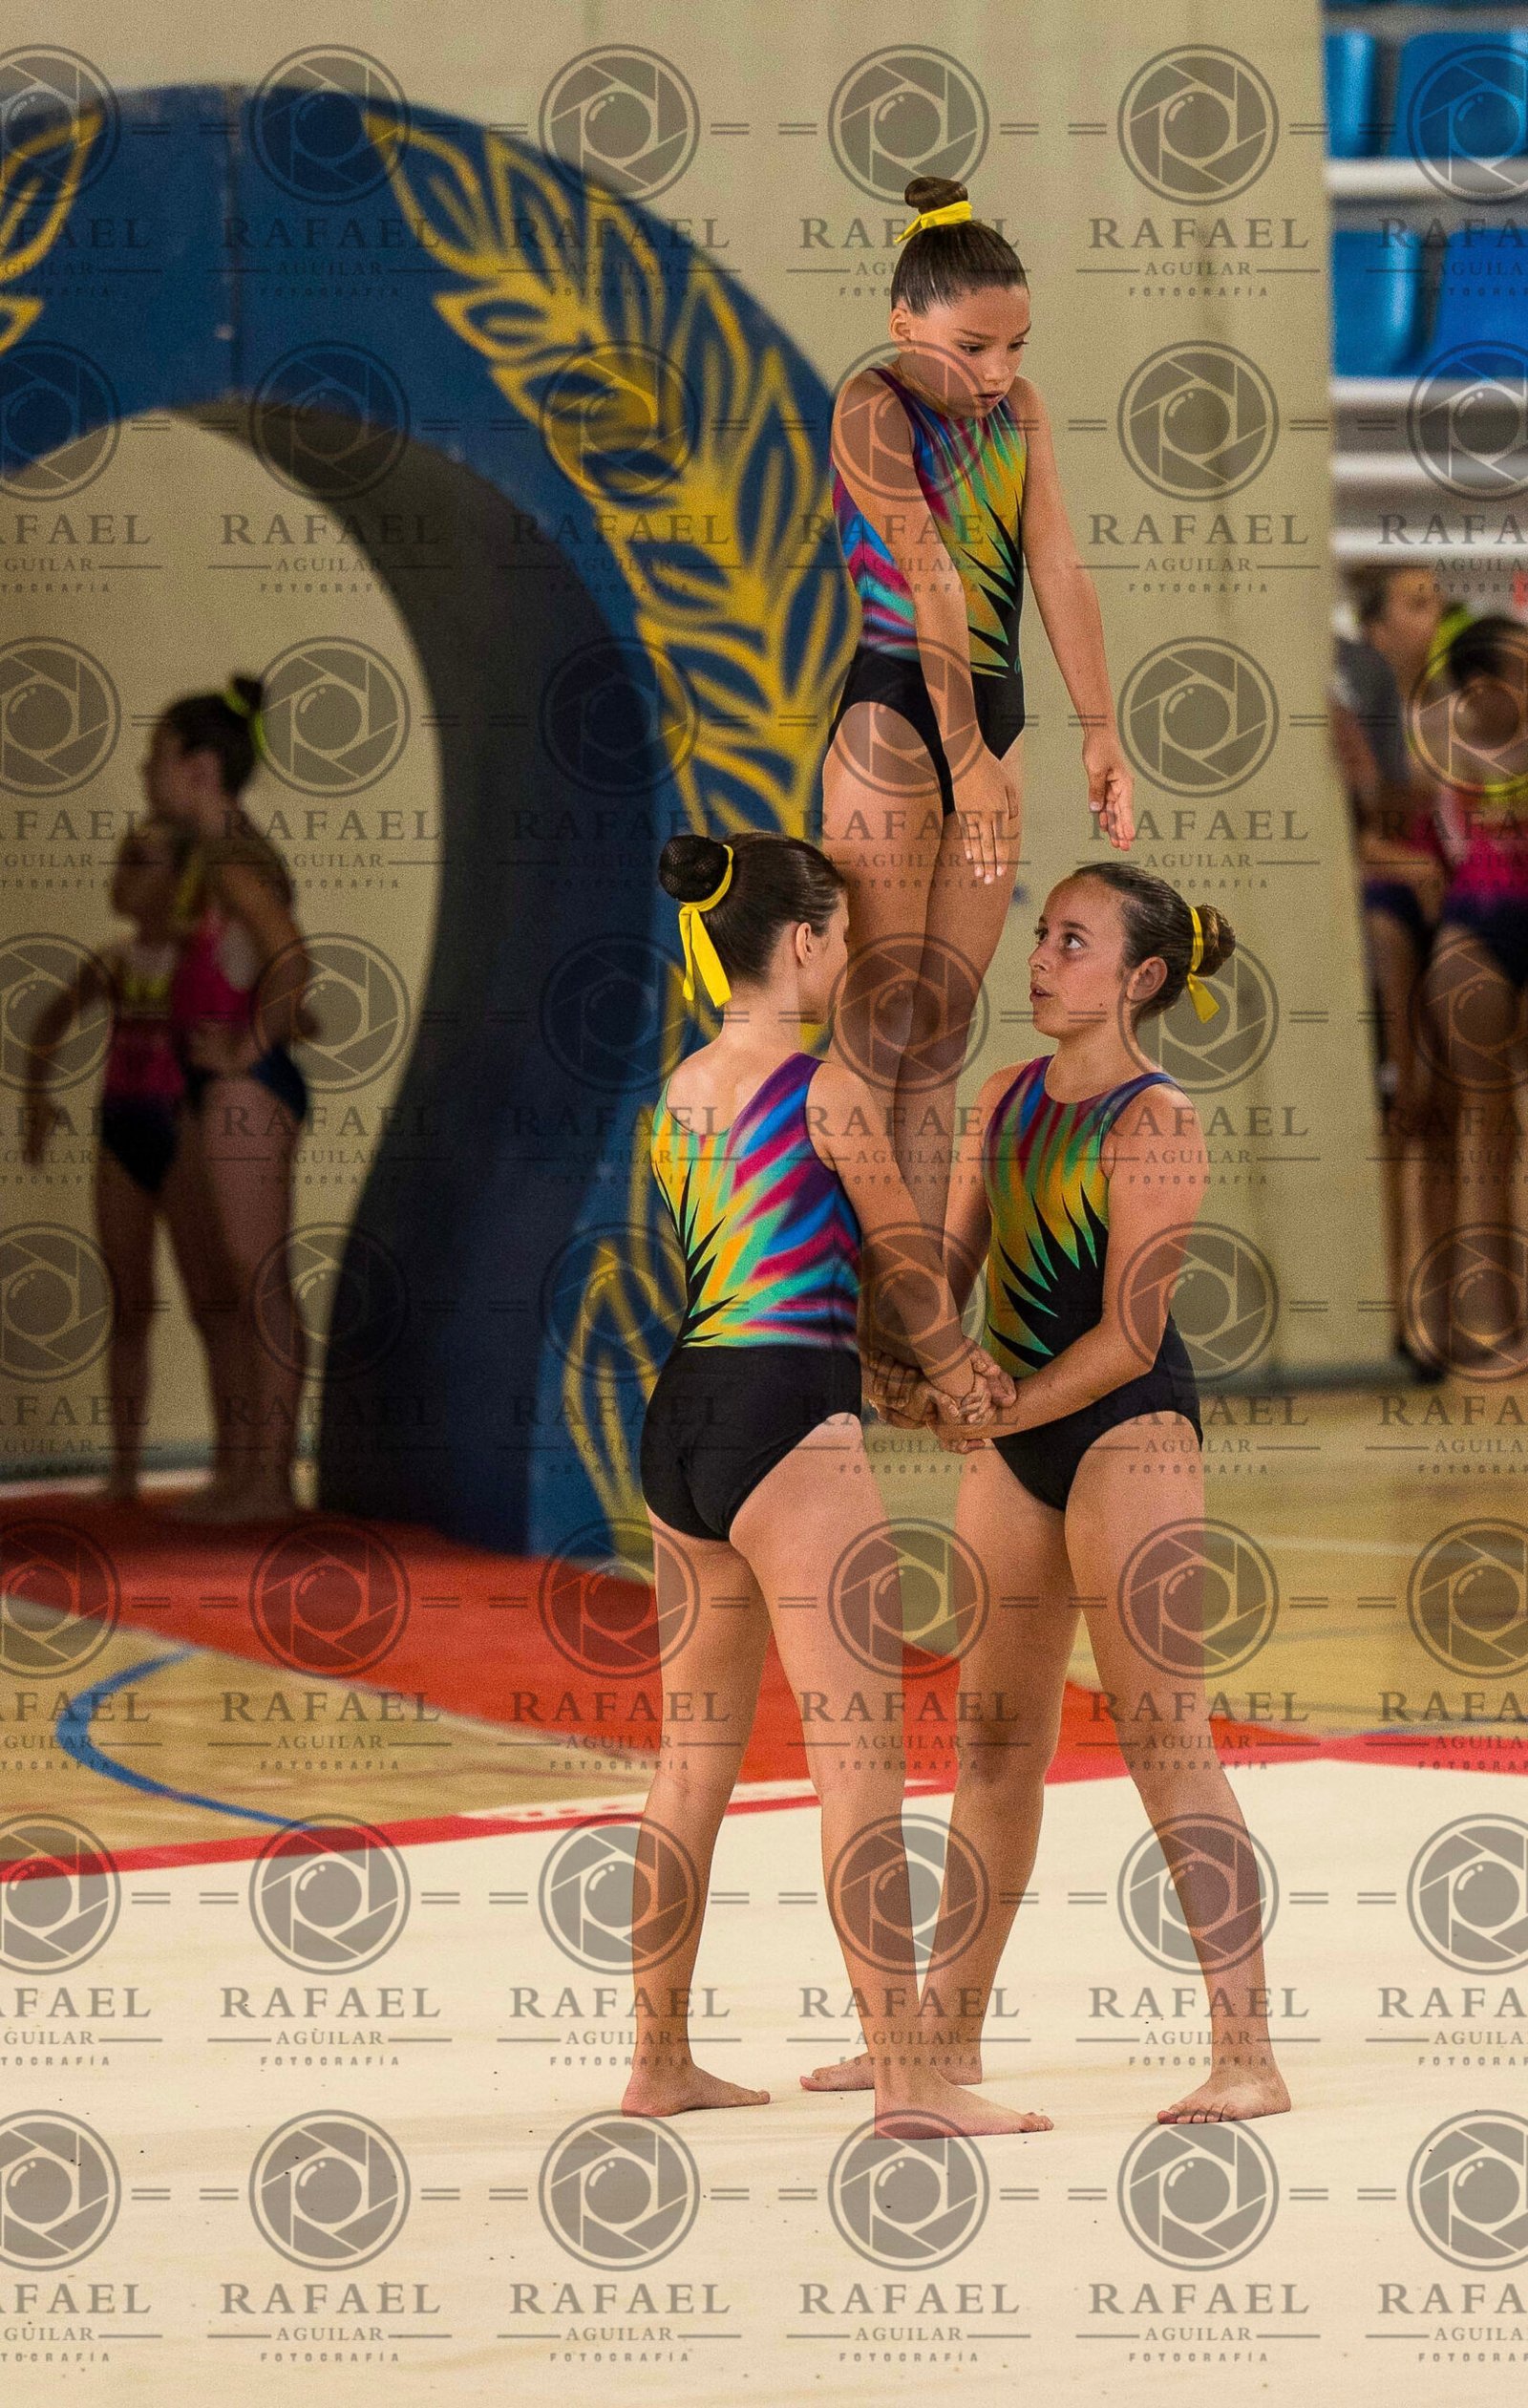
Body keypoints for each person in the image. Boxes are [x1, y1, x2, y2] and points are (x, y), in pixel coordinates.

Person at [805, 862, 1291, 2125]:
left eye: (1073, 941)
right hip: (1015, 1435)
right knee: (991, 1747)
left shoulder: (1154, 1117)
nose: (1038, 956)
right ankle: (944, 2039)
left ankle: (1248, 2055)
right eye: (1044, 934)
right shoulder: (1004, 1098)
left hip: (1127, 1433)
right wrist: (901, 1351)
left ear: (1140, 978)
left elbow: (1130, 1335)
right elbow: (951, 1269)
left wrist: (995, 1408)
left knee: (1164, 1739)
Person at [622, 829, 1050, 2138]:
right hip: (787, 1423)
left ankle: (658, 2061)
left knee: (689, 1766)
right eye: (844, 935)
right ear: (802, 941)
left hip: (683, 1421)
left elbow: (760, 1256)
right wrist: (961, 1379)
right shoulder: (827, 1091)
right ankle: (911, 2078)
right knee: (859, 1764)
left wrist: (902, 1377)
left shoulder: (678, 1092)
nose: (853, 953)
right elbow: (904, 1264)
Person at [823, 172, 1135, 1236]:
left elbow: (1057, 566)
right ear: (904, 323)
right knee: (877, 1021)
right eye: (972, 348)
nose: (998, 372)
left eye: (1015, 347)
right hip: (897, 718)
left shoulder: (1023, 412)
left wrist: (1100, 728)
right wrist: (965, 759)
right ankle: (848, 1292)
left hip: (991, 718)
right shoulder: (873, 407)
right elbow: (934, 583)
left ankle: (911, 1295)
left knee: (942, 1027)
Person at [21, 816, 241, 1500]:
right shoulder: (113, 961)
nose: (122, 875)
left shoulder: (200, 959)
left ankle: (232, 1463)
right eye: (122, 860)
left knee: (211, 1304)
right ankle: (123, 1469)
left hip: (180, 1134)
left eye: (140, 861)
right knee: (128, 1304)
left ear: (180, 881)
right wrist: (35, 1099)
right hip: (121, 1132)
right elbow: (49, 1021)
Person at [147, 675, 312, 1520]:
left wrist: (251, 1045)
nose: (146, 777)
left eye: (156, 759)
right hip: (217, 1087)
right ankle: (243, 1471)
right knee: (229, 1285)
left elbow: (293, 957)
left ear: (199, 768)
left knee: (258, 1279)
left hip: (248, 1090)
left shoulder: (235, 860)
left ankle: (271, 1481)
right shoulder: (214, 859)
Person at [1329, 565, 1445, 1361]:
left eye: (1435, 600)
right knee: (1398, 1118)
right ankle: (1392, 1312)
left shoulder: (1448, 709)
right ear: (1374, 624)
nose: (1433, 614)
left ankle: (1438, 1304)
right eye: (1416, 602)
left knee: (1439, 1120)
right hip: (1386, 923)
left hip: (1451, 919)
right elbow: (1356, 833)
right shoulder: (1352, 706)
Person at [1415, 613, 1528, 1370]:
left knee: (1501, 1130)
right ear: (1482, 685)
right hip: (1473, 932)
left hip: (1493, 920)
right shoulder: (1435, 738)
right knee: (1487, 1130)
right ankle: (1490, 1319)